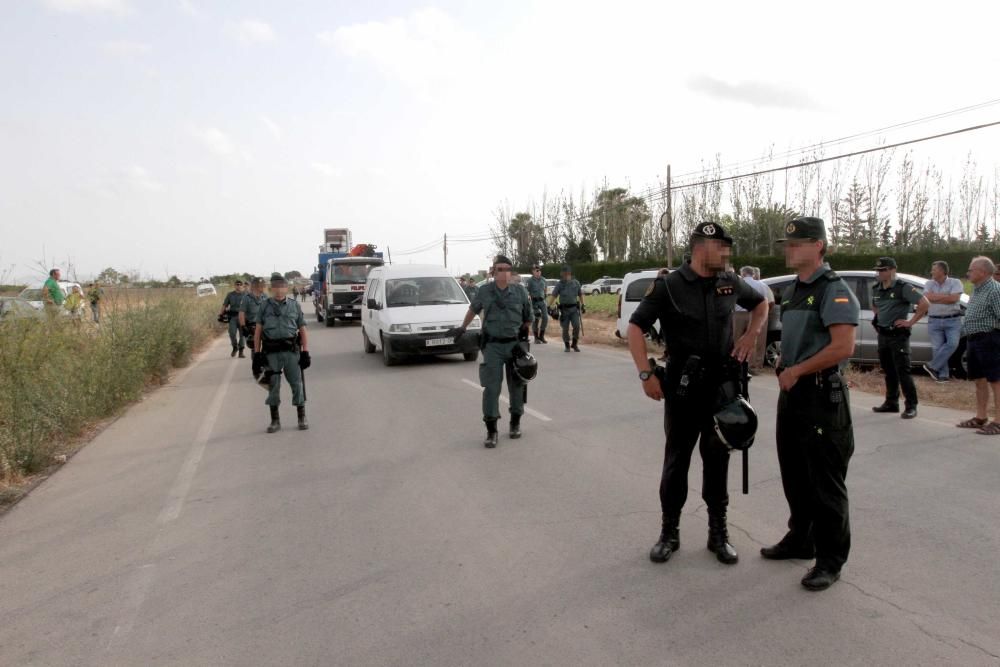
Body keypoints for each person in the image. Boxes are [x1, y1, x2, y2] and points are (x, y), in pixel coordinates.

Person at [627, 221, 767, 567]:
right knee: (677, 461)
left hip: (722, 388)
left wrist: (750, 336)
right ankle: (669, 534)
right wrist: (646, 373)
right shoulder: (669, 286)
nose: (727, 253)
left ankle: (717, 534)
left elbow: (761, 304)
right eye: (722, 246)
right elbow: (635, 327)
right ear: (702, 247)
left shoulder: (729, 281)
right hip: (683, 388)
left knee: (718, 462)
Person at [762, 216, 860, 592]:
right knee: (795, 473)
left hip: (820, 394)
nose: (790, 250)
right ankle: (800, 538)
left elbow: (843, 347)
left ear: (818, 246)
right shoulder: (794, 291)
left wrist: (798, 368)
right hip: (795, 391)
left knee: (825, 483)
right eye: (787, 245)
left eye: (797, 244)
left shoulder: (832, 290)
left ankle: (830, 560)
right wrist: (784, 365)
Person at [448, 255, 532, 448]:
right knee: (491, 388)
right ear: (493, 271)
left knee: (517, 386)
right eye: (499, 269)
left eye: (506, 269)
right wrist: (462, 328)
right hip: (492, 346)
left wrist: (523, 336)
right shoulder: (484, 291)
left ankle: (515, 423)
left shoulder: (520, 292)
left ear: (511, 271)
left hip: (514, 346)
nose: (503, 272)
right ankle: (491, 430)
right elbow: (473, 310)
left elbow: (528, 317)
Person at [870, 257, 929, 419]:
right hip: (883, 334)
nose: (880, 273)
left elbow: (924, 303)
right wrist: (878, 319)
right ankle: (891, 402)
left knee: (903, 371)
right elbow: (875, 306)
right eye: (879, 270)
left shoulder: (903, 288)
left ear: (892, 270)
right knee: (889, 370)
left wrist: (910, 322)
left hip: (898, 335)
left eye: (883, 270)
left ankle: (911, 405)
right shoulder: (876, 288)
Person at [253, 273, 310, 433]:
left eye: (282, 287)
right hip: (271, 354)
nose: (279, 290)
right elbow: (258, 331)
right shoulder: (264, 306)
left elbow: (303, 329)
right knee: (273, 386)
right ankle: (275, 420)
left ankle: (301, 416)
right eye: (276, 287)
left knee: (297, 384)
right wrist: (257, 354)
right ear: (271, 289)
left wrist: (306, 352)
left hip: (291, 352)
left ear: (286, 288)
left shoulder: (294, 306)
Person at [957, 257, 1000, 435]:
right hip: (973, 339)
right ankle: (981, 417)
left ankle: (999, 421)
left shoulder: (994, 290)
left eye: (971, 270)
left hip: (989, 338)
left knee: (996, 380)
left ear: (982, 272)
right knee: (979, 380)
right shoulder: (977, 288)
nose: (968, 273)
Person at [922, 261, 964, 383]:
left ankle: (932, 366)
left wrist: (936, 297)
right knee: (937, 348)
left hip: (953, 320)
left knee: (952, 344)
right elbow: (927, 297)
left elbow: (954, 299)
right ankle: (943, 375)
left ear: (942, 271)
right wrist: (946, 297)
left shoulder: (955, 282)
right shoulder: (929, 283)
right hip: (934, 320)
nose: (932, 272)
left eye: (934, 269)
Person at [733, 266, 770, 371]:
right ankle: (752, 366)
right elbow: (765, 302)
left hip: (738, 314)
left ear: (743, 273)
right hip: (754, 314)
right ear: (753, 274)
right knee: (752, 338)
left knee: (737, 338)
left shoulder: (737, 283)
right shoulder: (762, 285)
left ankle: (737, 363)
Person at [547, 265, 586, 352]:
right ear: (562, 275)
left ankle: (574, 344)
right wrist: (548, 306)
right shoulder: (560, 284)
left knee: (576, 326)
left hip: (574, 309)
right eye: (564, 274)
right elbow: (554, 295)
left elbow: (580, 294)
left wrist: (583, 305)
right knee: (565, 328)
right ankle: (567, 345)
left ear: (570, 274)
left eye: (568, 274)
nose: (566, 276)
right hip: (564, 310)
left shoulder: (576, 283)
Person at [220, 281, 247, 358]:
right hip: (233, 317)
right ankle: (235, 347)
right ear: (234, 285)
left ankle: (241, 351)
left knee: (243, 335)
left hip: (243, 317)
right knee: (232, 333)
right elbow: (225, 305)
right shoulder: (230, 295)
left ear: (242, 286)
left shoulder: (246, 295)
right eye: (237, 284)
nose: (238, 286)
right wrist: (220, 314)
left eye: (240, 284)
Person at [525, 265, 549, 344]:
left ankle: (542, 335)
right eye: (536, 270)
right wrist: (529, 302)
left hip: (542, 301)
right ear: (533, 271)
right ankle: (536, 337)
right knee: (536, 318)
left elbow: (545, 290)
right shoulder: (530, 281)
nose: (538, 272)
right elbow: (526, 292)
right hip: (534, 302)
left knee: (545, 317)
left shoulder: (543, 280)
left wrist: (545, 298)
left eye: (539, 270)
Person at [240, 277, 266, 344]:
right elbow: (241, 313)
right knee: (253, 344)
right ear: (255, 286)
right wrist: (243, 326)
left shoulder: (265, 297)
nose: (263, 287)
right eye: (261, 285)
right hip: (252, 325)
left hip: (265, 325)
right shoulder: (246, 298)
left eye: (263, 285)